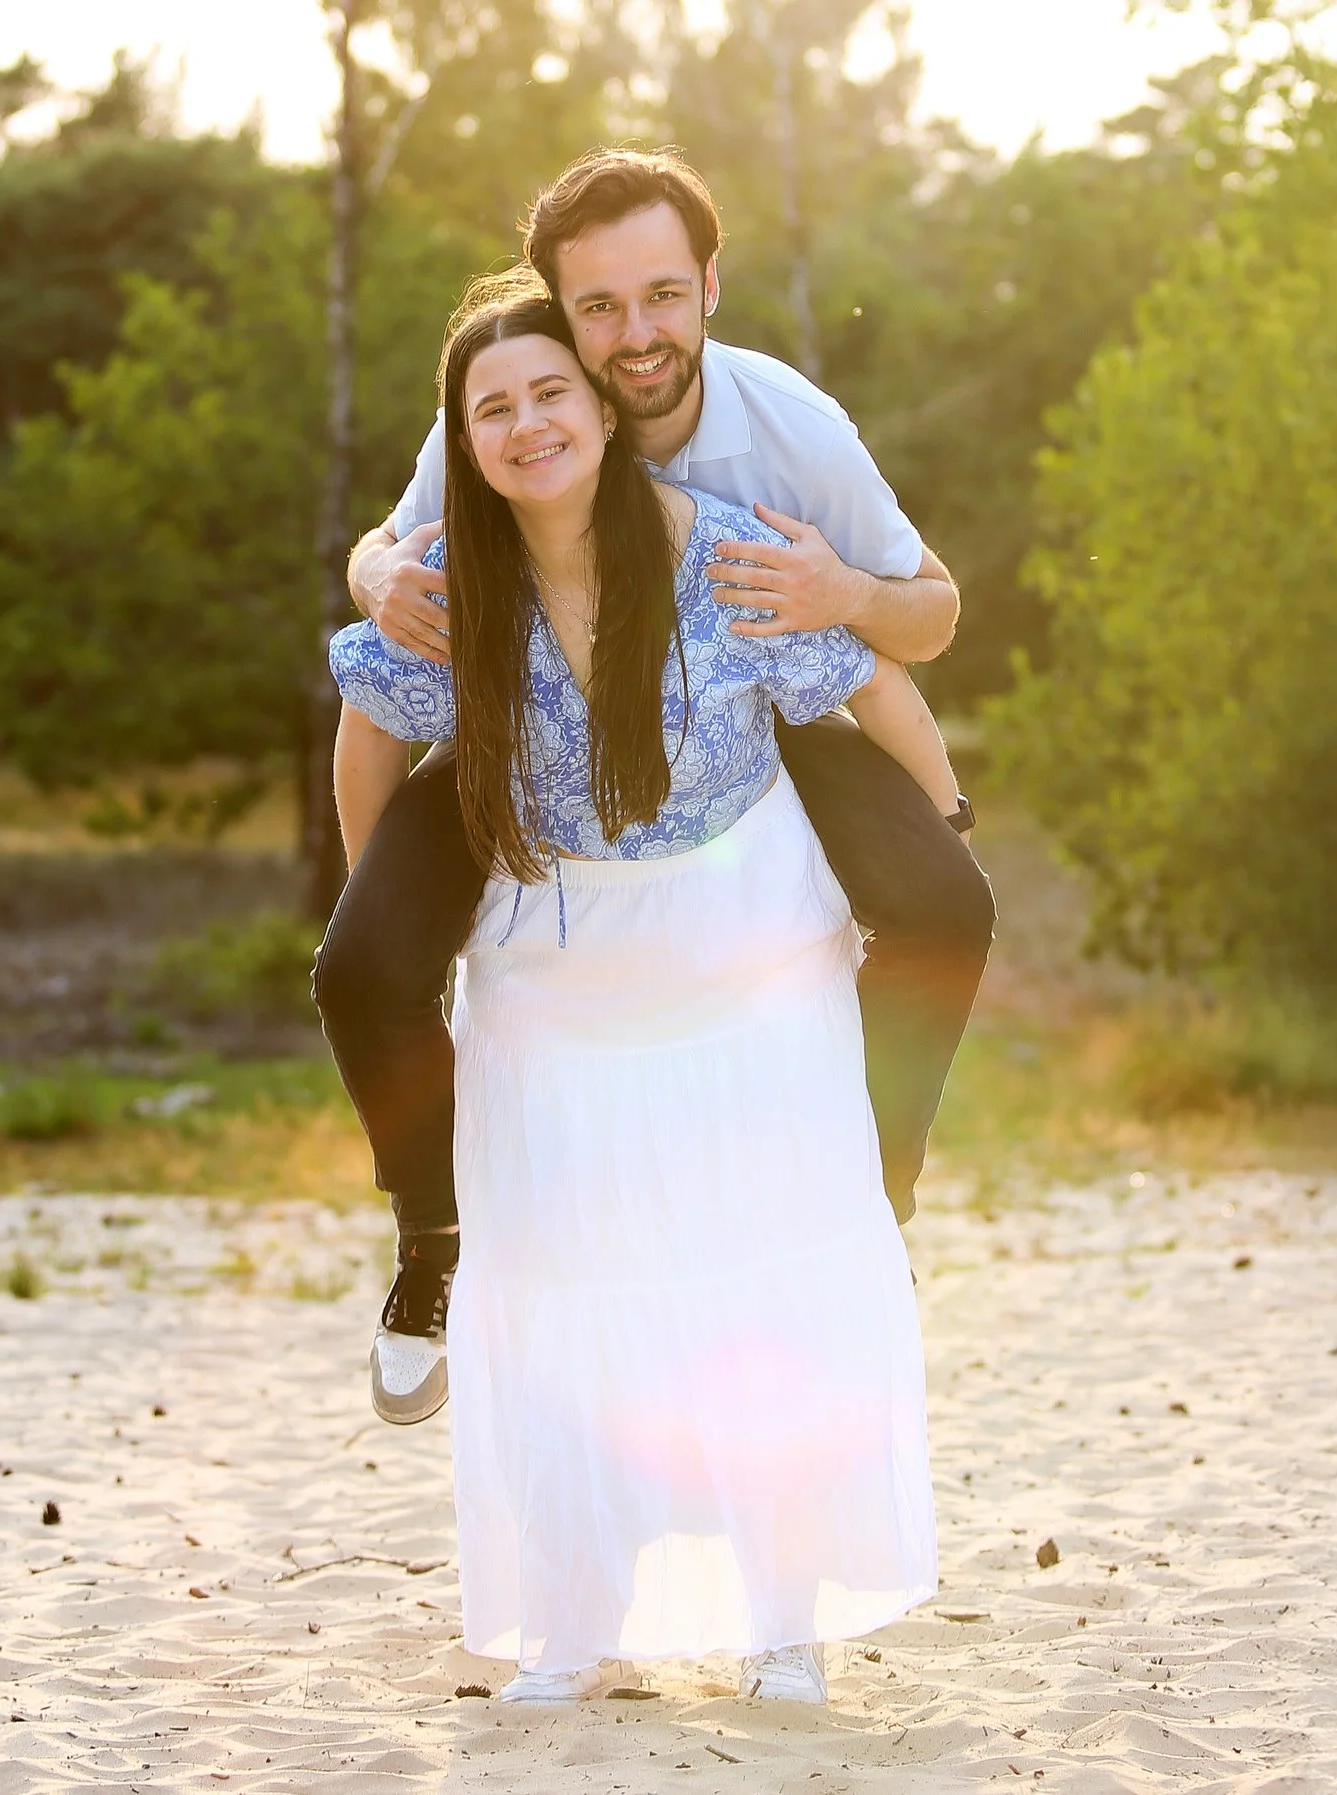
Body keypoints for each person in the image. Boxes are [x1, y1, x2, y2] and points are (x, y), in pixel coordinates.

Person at [326, 278, 946, 1704]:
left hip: (746, 953)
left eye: (553, 392)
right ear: (466, 442)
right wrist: (381, 896)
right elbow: (369, 731)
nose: (528, 422)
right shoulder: (447, 583)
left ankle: (783, 1619)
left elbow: (878, 685)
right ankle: (579, 1621)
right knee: (563, 1281)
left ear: (604, 412)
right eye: (495, 408)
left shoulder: (721, 552)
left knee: (760, 1261)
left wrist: (941, 822)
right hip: (553, 970)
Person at [319, 149, 992, 1426]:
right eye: (600, 305)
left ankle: (872, 1199)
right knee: (357, 963)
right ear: (551, 311)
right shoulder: (518, 404)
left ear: (709, 287)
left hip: (762, 700)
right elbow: (396, 559)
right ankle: (433, 1244)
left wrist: (842, 595)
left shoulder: (791, 425)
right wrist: (367, 577)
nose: (636, 335)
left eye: (663, 297)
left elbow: (933, 617)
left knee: (949, 909)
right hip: (519, 722)